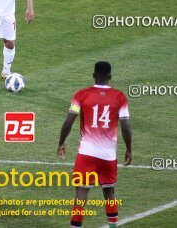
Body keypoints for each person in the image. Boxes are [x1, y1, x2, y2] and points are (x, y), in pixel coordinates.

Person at [57, 61, 132, 228]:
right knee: (109, 192)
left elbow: (68, 122)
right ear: (110, 77)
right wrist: (129, 149)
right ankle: (112, 226)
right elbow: (126, 126)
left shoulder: (81, 95)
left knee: (81, 194)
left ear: (93, 75)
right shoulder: (119, 97)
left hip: (86, 154)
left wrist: (61, 143)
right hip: (108, 155)